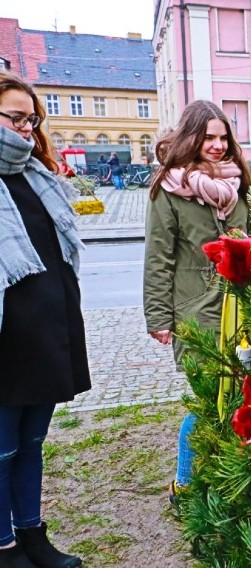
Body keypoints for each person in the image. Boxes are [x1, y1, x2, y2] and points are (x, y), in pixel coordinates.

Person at [0, 71, 89, 568]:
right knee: (1, 450)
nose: (26, 129)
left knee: (31, 444)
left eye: (32, 119)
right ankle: (4, 547)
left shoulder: (37, 175)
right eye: (15, 117)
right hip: (6, 338)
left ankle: (32, 535)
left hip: (48, 331)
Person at [143, 100, 251, 503]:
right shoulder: (167, 190)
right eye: (209, 138)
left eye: (224, 137)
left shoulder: (240, 183)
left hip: (242, 311)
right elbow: (159, 257)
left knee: (240, 394)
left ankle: (230, 478)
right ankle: (185, 484)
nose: (219, 145)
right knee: (209, 398)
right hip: (195, 313)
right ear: (191, 138)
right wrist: (158, 316)